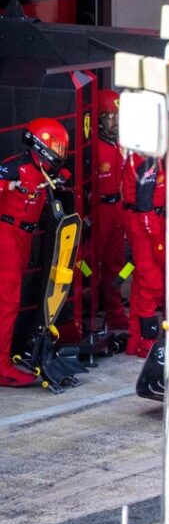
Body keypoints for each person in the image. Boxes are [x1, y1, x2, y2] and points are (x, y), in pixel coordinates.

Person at [0, 119, 70, 386]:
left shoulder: (44, 171)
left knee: (11, 301)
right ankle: (1, 366)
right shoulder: (13, 168)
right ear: (41, 145)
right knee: (7, 302)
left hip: (24, 238)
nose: (61, 153)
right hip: (7, 235)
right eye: (57, 147)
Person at [121, 137, 166, 358]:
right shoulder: (149, 159)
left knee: (141, 282)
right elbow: (145, 202)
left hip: (137, 219)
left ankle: (135, 339)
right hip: (144, 222)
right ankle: (147, 341)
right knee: (151, 282)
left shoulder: (142, 154)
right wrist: (154, 231)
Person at [92, 90, 129, 333]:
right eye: (109, 117)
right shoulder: (93, 147)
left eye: (117, 116)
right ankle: (91, 314)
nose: (114, 122)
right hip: (98, 212)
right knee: (90, 264)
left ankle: (115, 314)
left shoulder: (116, 145)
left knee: (117, 265)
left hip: (117, 209)